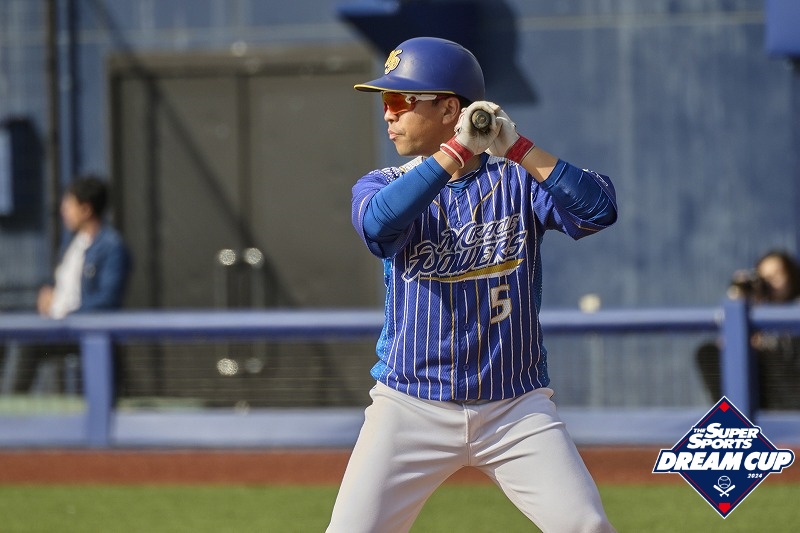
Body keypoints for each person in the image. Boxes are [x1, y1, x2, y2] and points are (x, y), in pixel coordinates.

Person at [327, 37, 618, 533]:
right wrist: (456, 151)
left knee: (586, 526)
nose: (388, 113)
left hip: (514, 407)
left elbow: (599, 210)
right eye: (385, 101)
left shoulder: (518, 179)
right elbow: (378, 226)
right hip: (410, 405)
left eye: (399, 99)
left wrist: (518, 148)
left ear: (449, 108)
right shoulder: (382, 183)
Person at [14, 175, 131, 394]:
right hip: (57, 329)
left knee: (28, 343)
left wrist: (68, 315)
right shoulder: (71, 243)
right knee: (21, 335)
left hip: (83, 329)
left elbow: (108, 300)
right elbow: (62, 282)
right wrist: (49, 292)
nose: (63, 211)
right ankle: (10, 407)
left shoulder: (112, 247)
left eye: (68, 205)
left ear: (86, 209)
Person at [696, 249, 800, 410]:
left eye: (777, 275)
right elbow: (726, 347)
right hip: (764, 397)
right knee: (708, 352)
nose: (770, 283)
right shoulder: (754, 312)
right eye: (764, 278)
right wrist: (739, 301)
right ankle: (732, 417)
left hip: (791, 392)